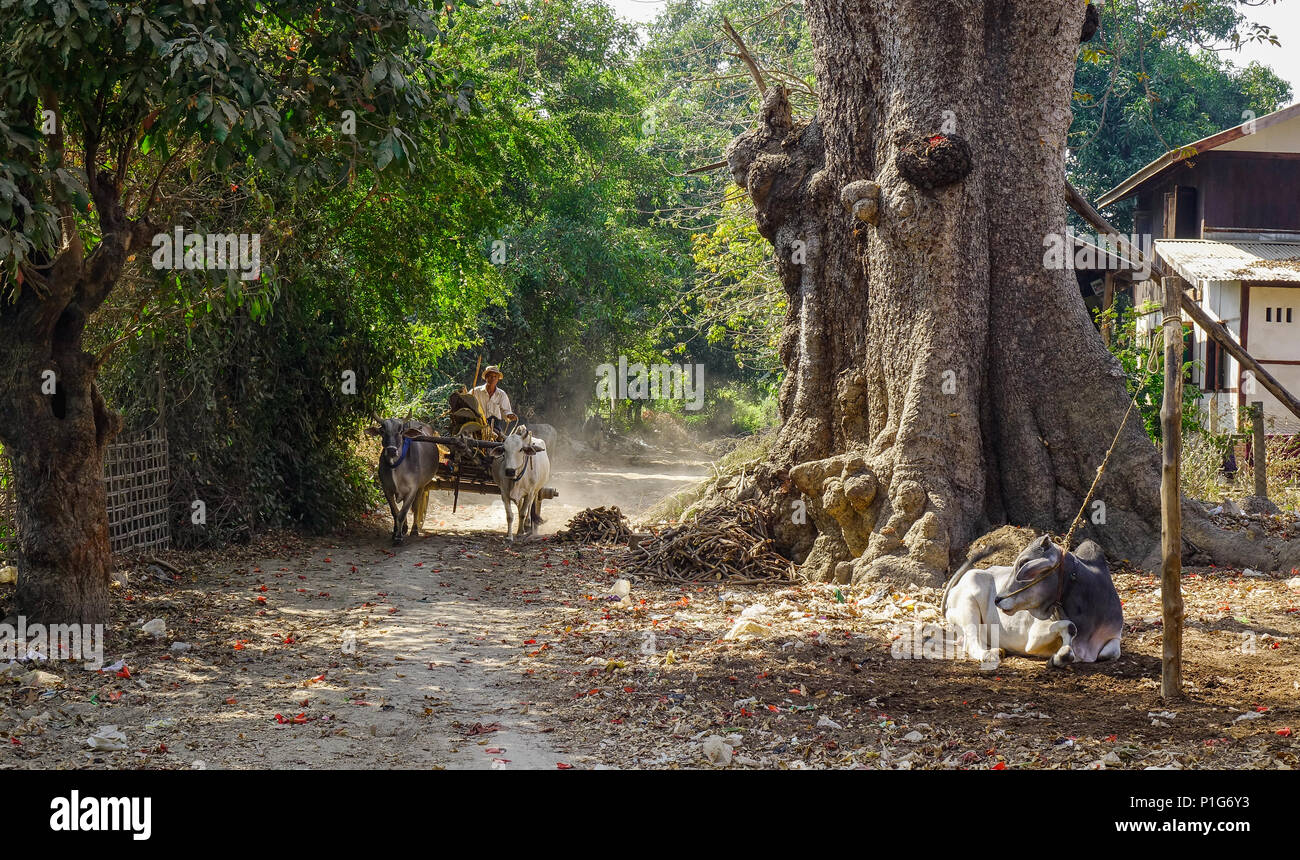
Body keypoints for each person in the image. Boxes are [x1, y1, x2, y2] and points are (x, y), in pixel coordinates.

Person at [472, 365, 516, 437]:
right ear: (486, 378)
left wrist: (509, 415)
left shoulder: (501, 394)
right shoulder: (476, 391)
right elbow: (467, 402)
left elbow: (506, 411)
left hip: (495, 427)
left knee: (501, 441)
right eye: (490, 376)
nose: (493, 378)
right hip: (478, 425)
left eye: (495, 376)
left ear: (498, 379)